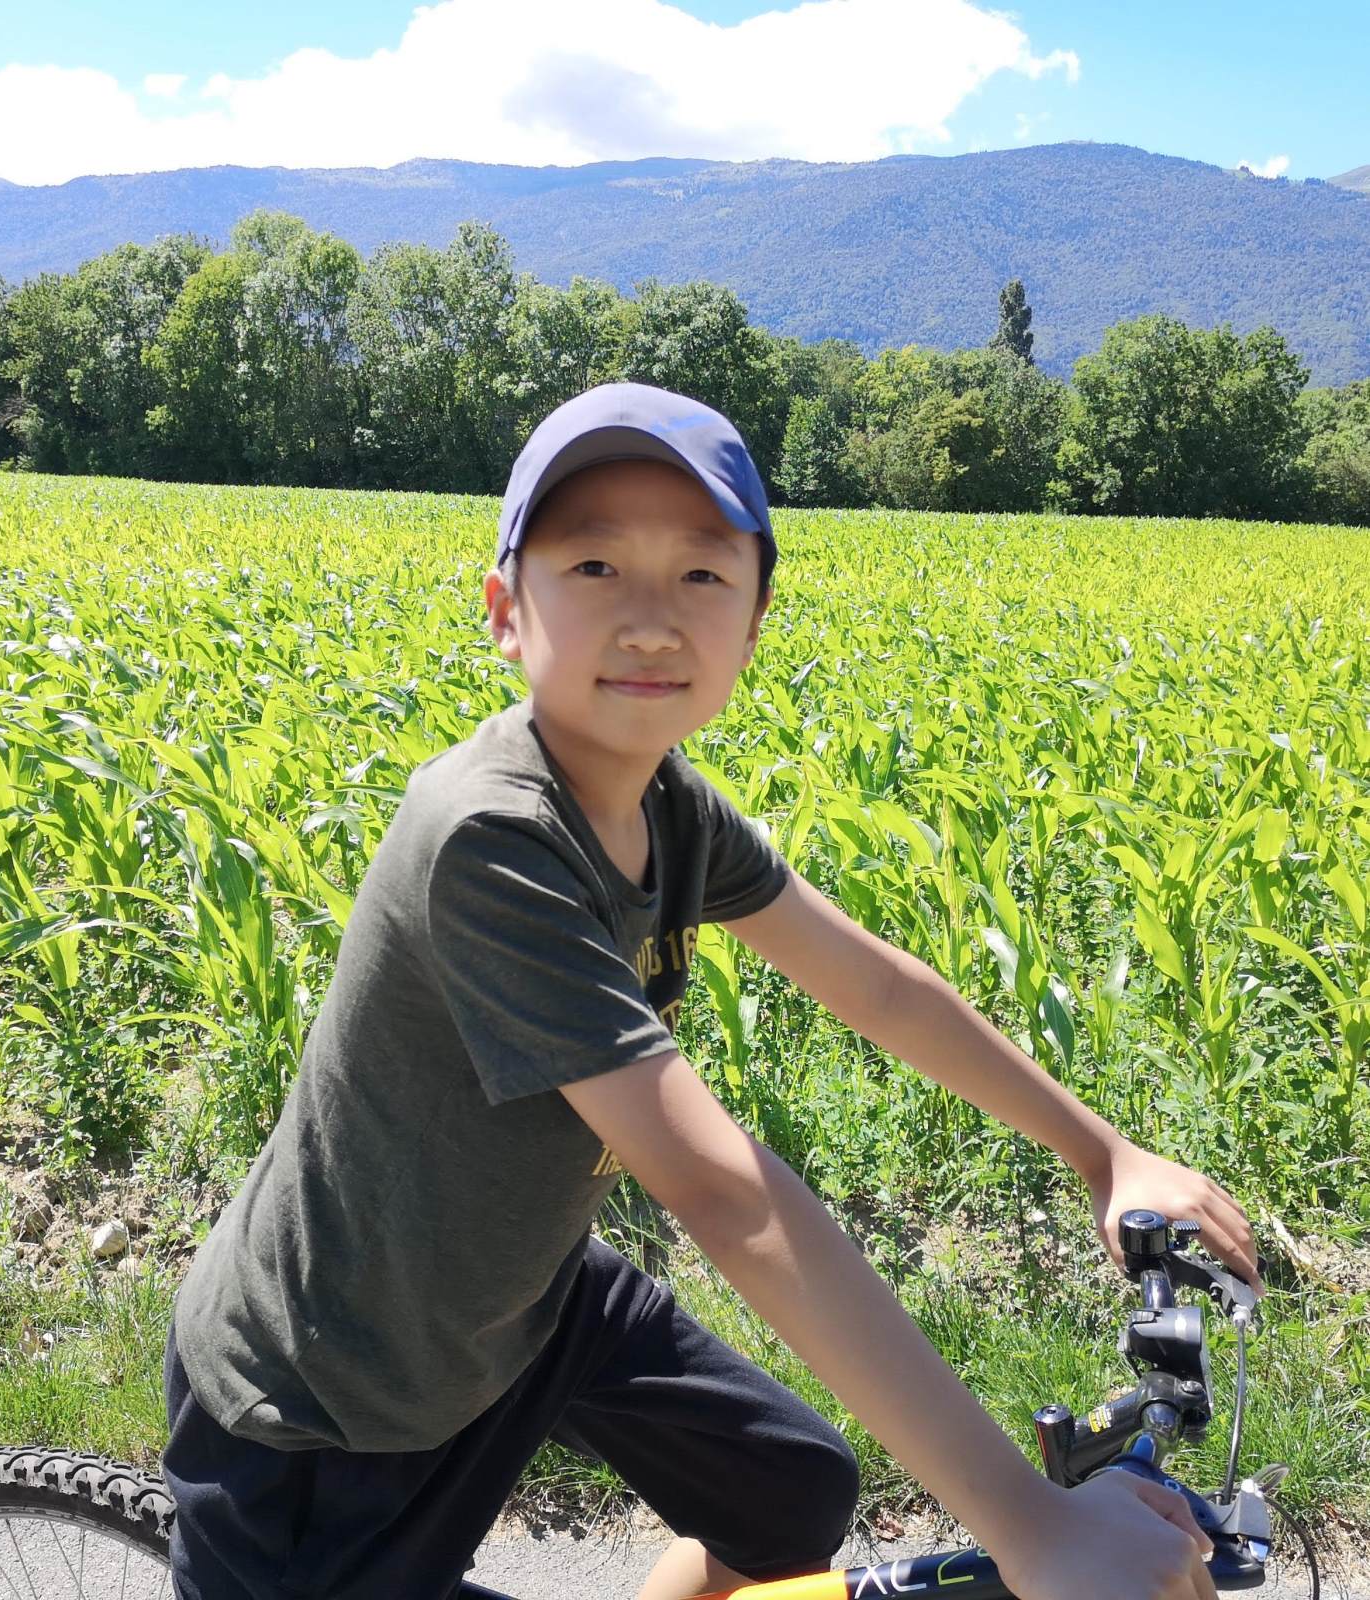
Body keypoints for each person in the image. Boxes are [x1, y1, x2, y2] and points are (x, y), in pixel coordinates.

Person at [161, 381, 1264, 1600]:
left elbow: (877, 987)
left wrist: (1100, 1152)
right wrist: (1028, 1524)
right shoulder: (489, 838)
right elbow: (719, 1191)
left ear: (751, 623)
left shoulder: (666, 807)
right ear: (505, 613)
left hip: (522, 1299)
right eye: (592, 566)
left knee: (790, 1492)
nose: (648, 622)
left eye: (699, 574)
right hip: (331, 1391)